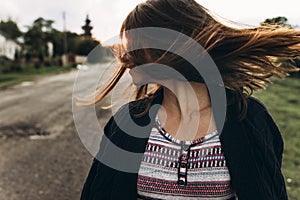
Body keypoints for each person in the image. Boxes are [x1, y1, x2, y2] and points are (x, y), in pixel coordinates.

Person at [78, 0, 300, 199]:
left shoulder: (250, 119)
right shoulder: (126, 122)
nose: (125, 57)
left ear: (168, 46)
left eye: (135, 45)